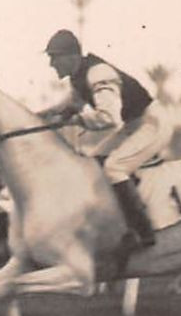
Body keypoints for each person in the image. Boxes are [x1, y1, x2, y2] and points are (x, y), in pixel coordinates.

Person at [39, 29, 169, 251]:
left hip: (153, 124)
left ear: (71, 57)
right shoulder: (79, 77)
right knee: (93, 161)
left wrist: (75, 120)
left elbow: (109, 118)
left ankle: (143, 232)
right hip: (134, 125)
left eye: (54, 57)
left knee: (113, 168)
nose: (51, 64)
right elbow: (67, 107)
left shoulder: (98, 73)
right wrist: (37, 116)